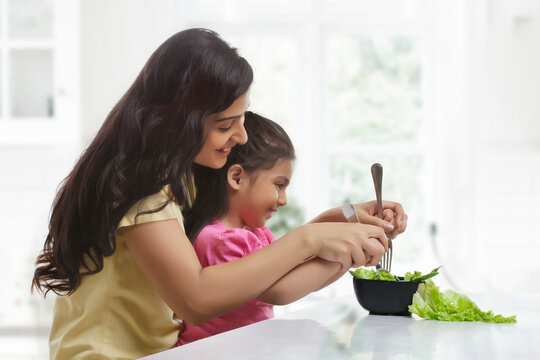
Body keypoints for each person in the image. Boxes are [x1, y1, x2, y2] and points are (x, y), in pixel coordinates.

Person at [31, 28, 407, 359]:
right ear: (180, 119)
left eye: (242, 118)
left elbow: (258, 266)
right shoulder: (139, 190)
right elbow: (196, 298)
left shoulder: (176, 177)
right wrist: (313, 239)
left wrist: (348, 216)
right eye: (226, 124)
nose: (241, 136)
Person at [178, 111, 345, 345]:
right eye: (279, 185)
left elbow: (299, 272)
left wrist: (347, 220)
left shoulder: (254, 232)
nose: (283, 199)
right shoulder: (221, 241)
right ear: (236, 177)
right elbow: (283, 290)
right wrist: (347, 255)